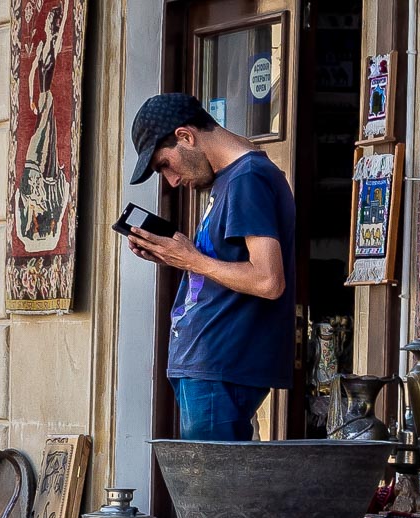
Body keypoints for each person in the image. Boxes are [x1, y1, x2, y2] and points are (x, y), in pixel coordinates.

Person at [126, 93, 296, 441]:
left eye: (164, 164)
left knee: (211, 492)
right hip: (210, 365)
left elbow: (268, 280)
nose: (171, 180)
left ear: (186, 136)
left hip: (220, 365)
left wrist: (191, 259)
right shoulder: (231, 180)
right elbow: (225, 268)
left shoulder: (247, 178)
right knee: (208, 489)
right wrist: (176, 255)